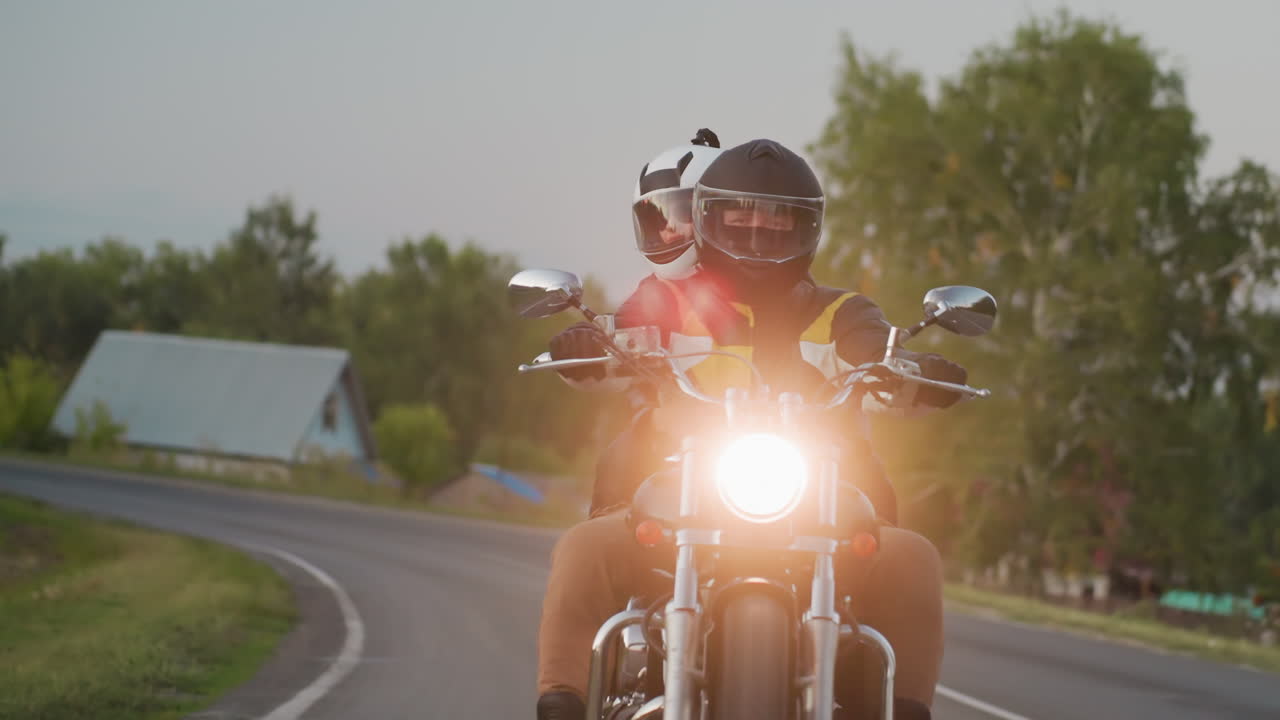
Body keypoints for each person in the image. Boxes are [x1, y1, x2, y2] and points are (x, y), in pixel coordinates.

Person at [537, 139, 966, 720]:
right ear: (707, 220)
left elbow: (877, 352)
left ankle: (906, 710)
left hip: (821, 505)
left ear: (807, 231)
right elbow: (623, 337)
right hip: (668, 500)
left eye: (777, 223)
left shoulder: (844, 312)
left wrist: (915, 373)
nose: (757, 235)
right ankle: (561, 703)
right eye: (739, 219)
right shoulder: (664, 300)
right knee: (584, 546)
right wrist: (587, 346)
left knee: (913, 557)